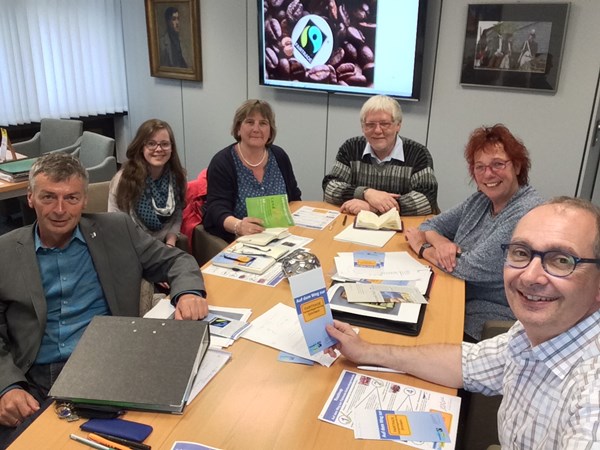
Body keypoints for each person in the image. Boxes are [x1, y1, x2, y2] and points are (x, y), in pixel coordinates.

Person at [327, 197, 600, 448]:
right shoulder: (537, 334)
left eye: (562, 260)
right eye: (521, 253)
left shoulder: (591, 395)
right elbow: (467, 363)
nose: (530, 276)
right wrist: (367, 351)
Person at [0, 153, 207, 447]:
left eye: (71, 198)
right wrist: (6, 386)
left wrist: (188, 291)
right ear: (30, 197)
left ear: (85, 200)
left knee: (169, 432)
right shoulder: (5, 251)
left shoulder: (117, 230)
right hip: (36, 378)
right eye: (48, 197)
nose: (60, 209)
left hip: (112, 362)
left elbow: (176, 261)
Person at [405, 124, 543, 341]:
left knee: (412, 337)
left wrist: (422, 249)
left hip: (489, 317)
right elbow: (430, 225)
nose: (488, 174)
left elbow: (470, 268)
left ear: (517, 166)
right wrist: (442, 244)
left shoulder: (526, 213)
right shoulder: (480, 200)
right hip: (455, 292)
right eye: (480, 167)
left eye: (497, 164)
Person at [203, 99, 302, 242]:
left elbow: (294, 197)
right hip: (240, 239)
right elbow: (216, 209)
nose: (256, 129)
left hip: (282, 236)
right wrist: (238, 226)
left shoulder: (279, 156)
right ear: (238, 128)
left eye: (263, 123)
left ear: (270, 131)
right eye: (250, 122)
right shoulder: (223, 162)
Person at [322, 95, 438, 216]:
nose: (377, 130)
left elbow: (427, 199)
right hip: (354, 224)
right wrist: (366, 193)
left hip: (400, 226)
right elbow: (330, 186)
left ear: (398, 125)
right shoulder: (351, 147)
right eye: (370, 124)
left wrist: (373, 208)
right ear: (362, 127)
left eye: (384, 124)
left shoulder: (418, 153)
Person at [108, 119, 187, 248]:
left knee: (189, 265)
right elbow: (115, 224)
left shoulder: (178, 177)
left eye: (165, 144)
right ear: (141, 147)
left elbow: (177, 216)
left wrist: (170, 243)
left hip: (164, 247)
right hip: (131, 247)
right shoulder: (123, 180)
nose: (158, 149)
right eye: (151, 144)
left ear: (172, 148)